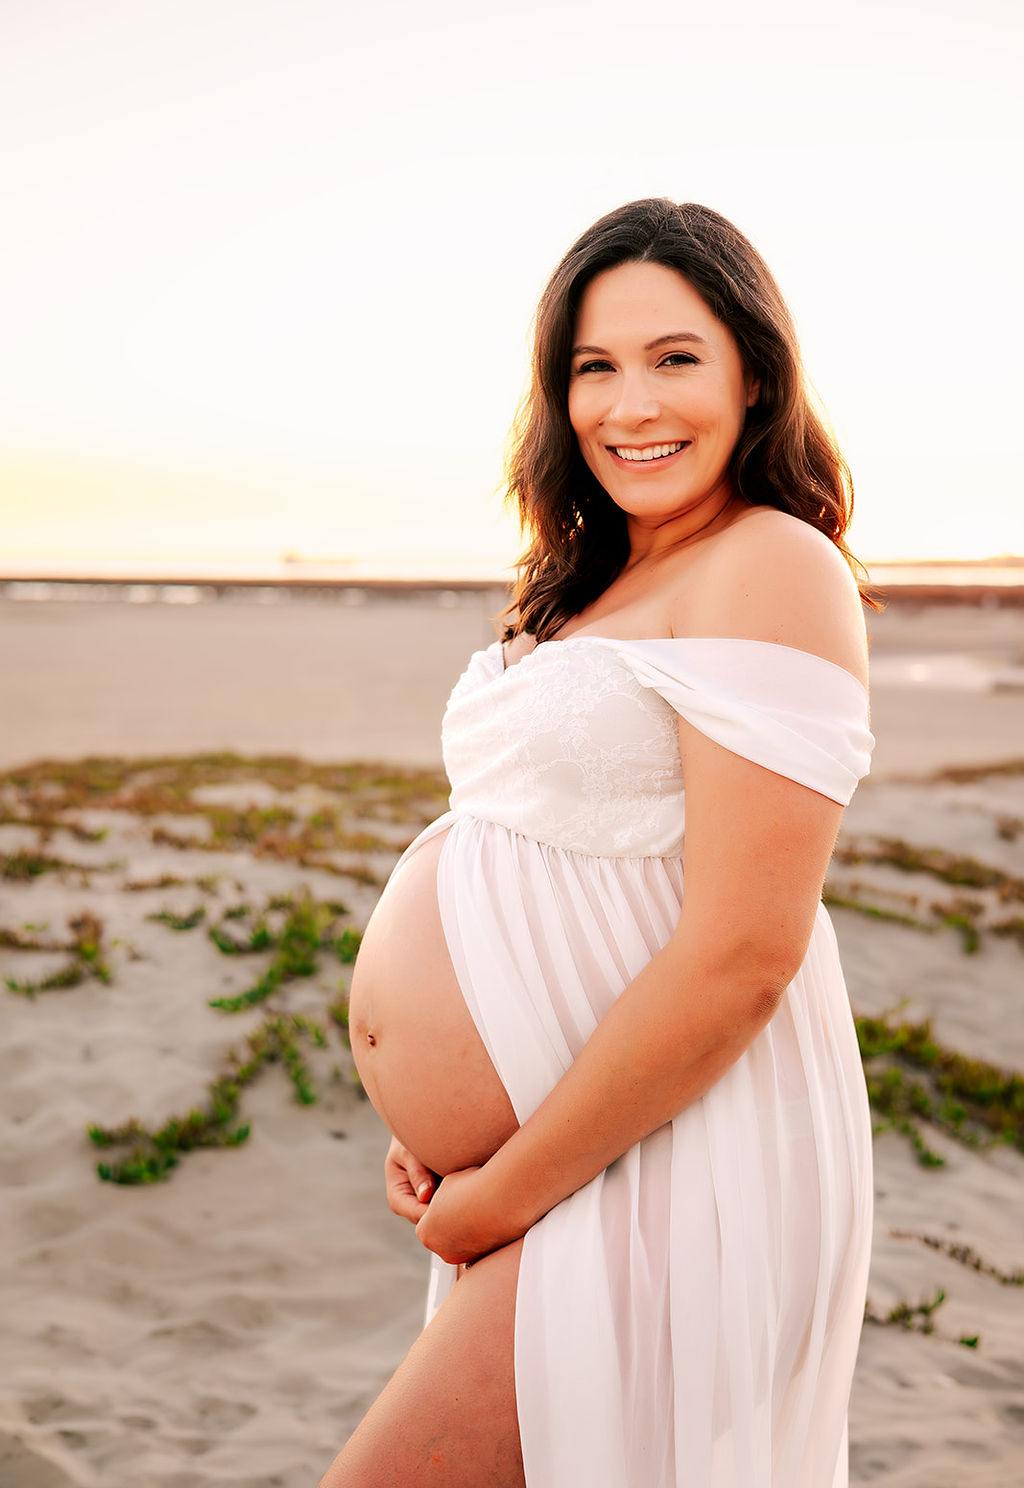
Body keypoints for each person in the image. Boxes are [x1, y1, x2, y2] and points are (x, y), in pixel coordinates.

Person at [318, 198, 875, 1487]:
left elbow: (743, 956)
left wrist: (500, 1189)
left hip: (673, 1171)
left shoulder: (772, 562)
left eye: (675, 358)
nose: (633, 403)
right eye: (594, 366)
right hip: (574, 1161)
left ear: (755, 372)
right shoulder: (601, 578)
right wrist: (455, 1127)